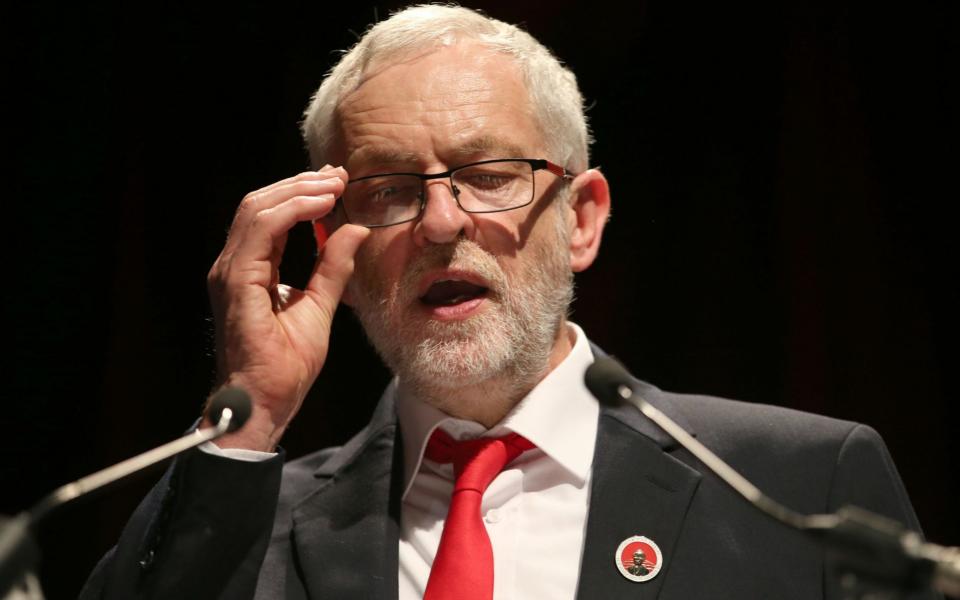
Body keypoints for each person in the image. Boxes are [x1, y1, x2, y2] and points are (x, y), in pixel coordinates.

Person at [80, 5, 937, 599]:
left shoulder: (796, 484)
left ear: (582, 219)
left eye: (489, 176)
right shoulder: (251, 522)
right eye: (388, 191)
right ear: (331, 245)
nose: (442, 222)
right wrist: (252, 419)